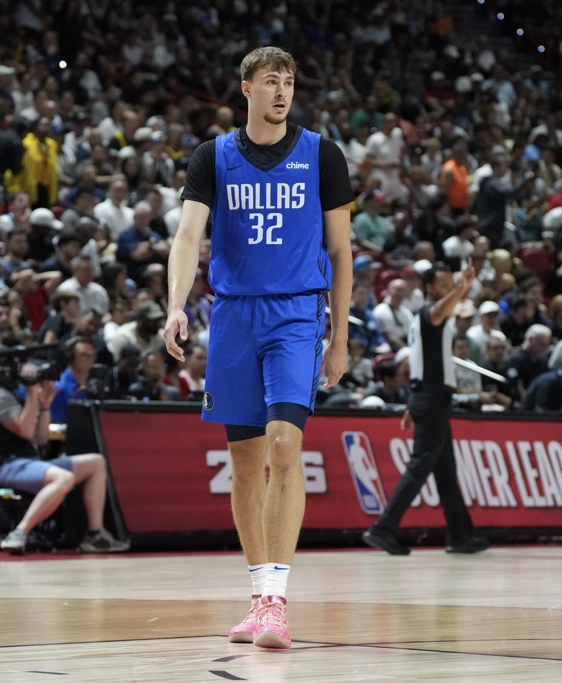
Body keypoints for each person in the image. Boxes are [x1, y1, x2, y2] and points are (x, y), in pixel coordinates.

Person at [163, 47, 353, 650]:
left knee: (284, 444)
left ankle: (276, 600)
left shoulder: (321, 153)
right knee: (244, 463)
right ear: (246, 88)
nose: (282, 91)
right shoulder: (212, 156)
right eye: (271, 81)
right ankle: (256, 597)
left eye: (289, 81)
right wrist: (176, 304)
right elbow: (187, 235)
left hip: (296, 313)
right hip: (234, 315)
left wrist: (341, 337)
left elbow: (341, 251)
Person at [362, 262, 490, 558]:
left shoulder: (424, 320)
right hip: (432, 396)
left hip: (428, 397)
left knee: (446, 471)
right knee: (420, 465)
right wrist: (462, 288)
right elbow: (438, 312)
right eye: (442, 285)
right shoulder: (429, 313)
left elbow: (420, 364)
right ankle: (383, 527)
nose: (447, 289)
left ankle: (459, 535)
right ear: (430, 287)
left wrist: (413, 405)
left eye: (449, 284)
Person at [0, 357, 129, 555]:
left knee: (95, 462)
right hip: (2, 466)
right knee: (64, 477)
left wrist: (44, 406)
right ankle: (19, 533)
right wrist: (31, 391)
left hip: (24, 463)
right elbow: (26, 431)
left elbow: (40, 439)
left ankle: (95, 535)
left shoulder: (11, 394)